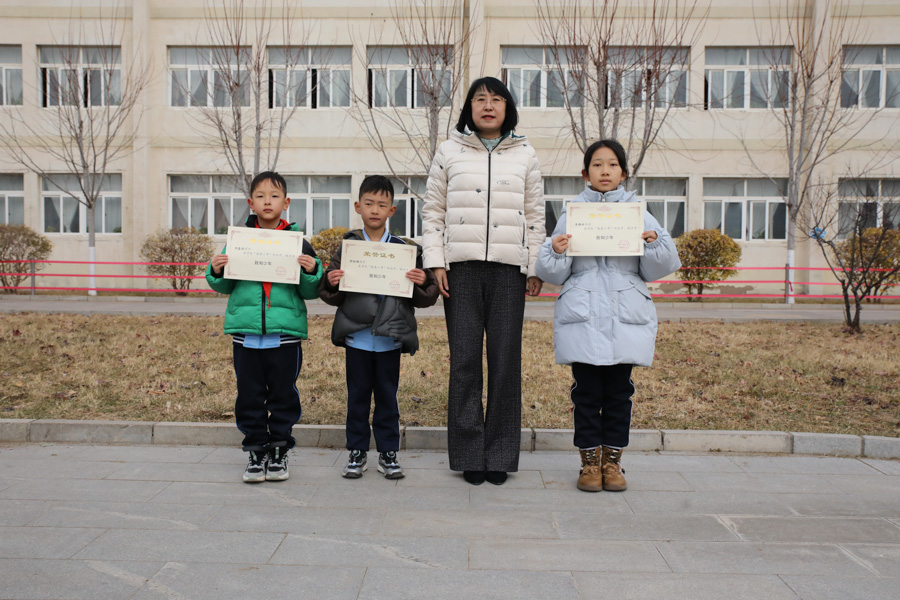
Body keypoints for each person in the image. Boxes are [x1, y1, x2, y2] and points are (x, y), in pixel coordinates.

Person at [535, 139, 681, 492]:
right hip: (583, 316)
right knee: (585, 394)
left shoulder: (638, 213)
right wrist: (555, 251)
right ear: (585, 174)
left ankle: (612, 463)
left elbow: (660, 267)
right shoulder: (572, 214)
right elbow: (553, 273)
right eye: (597, 165)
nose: (605, 171)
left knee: (619, 393)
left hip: (624, 315)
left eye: (612, 164)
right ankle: (589, 463)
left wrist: (654, 244)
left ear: (623, 173)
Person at [421, 76, 545, 486]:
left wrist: (534, 266)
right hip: (461, 270)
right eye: (479, 99)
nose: (488, 106)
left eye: (496, 99)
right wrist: (436, 262)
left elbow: (536, 215)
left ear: (508, 107)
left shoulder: (525, 154)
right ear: (469, 108)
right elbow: (433, 211)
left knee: (506, 362)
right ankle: (470, 454)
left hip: (509, 271)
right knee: (464, 362)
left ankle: (501, 455)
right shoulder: (449, 151)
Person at [319, 175, 439, 480]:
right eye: (369, 203)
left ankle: (388, 452)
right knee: (357, 397)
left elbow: (426, 296)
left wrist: (423, 280)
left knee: (387, 397)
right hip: (357, 338)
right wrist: (331, 281)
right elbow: (330, 293)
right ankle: (356, 452)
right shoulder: (348, 247)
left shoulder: (404, 250)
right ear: (358, 206)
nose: (375, 210)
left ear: (392, 210)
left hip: (390, 338)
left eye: (382, 204)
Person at [206, 171, 323, 483]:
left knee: (283, 395)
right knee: (249, 394)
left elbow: (311, 291)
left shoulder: (299, 244)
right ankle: (256, 451)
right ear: (250, 203)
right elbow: (224, 285)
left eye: (274, 196)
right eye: (260, 196)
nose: (267, 201)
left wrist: (313, 271)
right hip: (246, 335)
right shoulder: (238, 241)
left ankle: (279, 450)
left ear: (286, 202)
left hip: (285, 336)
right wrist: (215, 270)